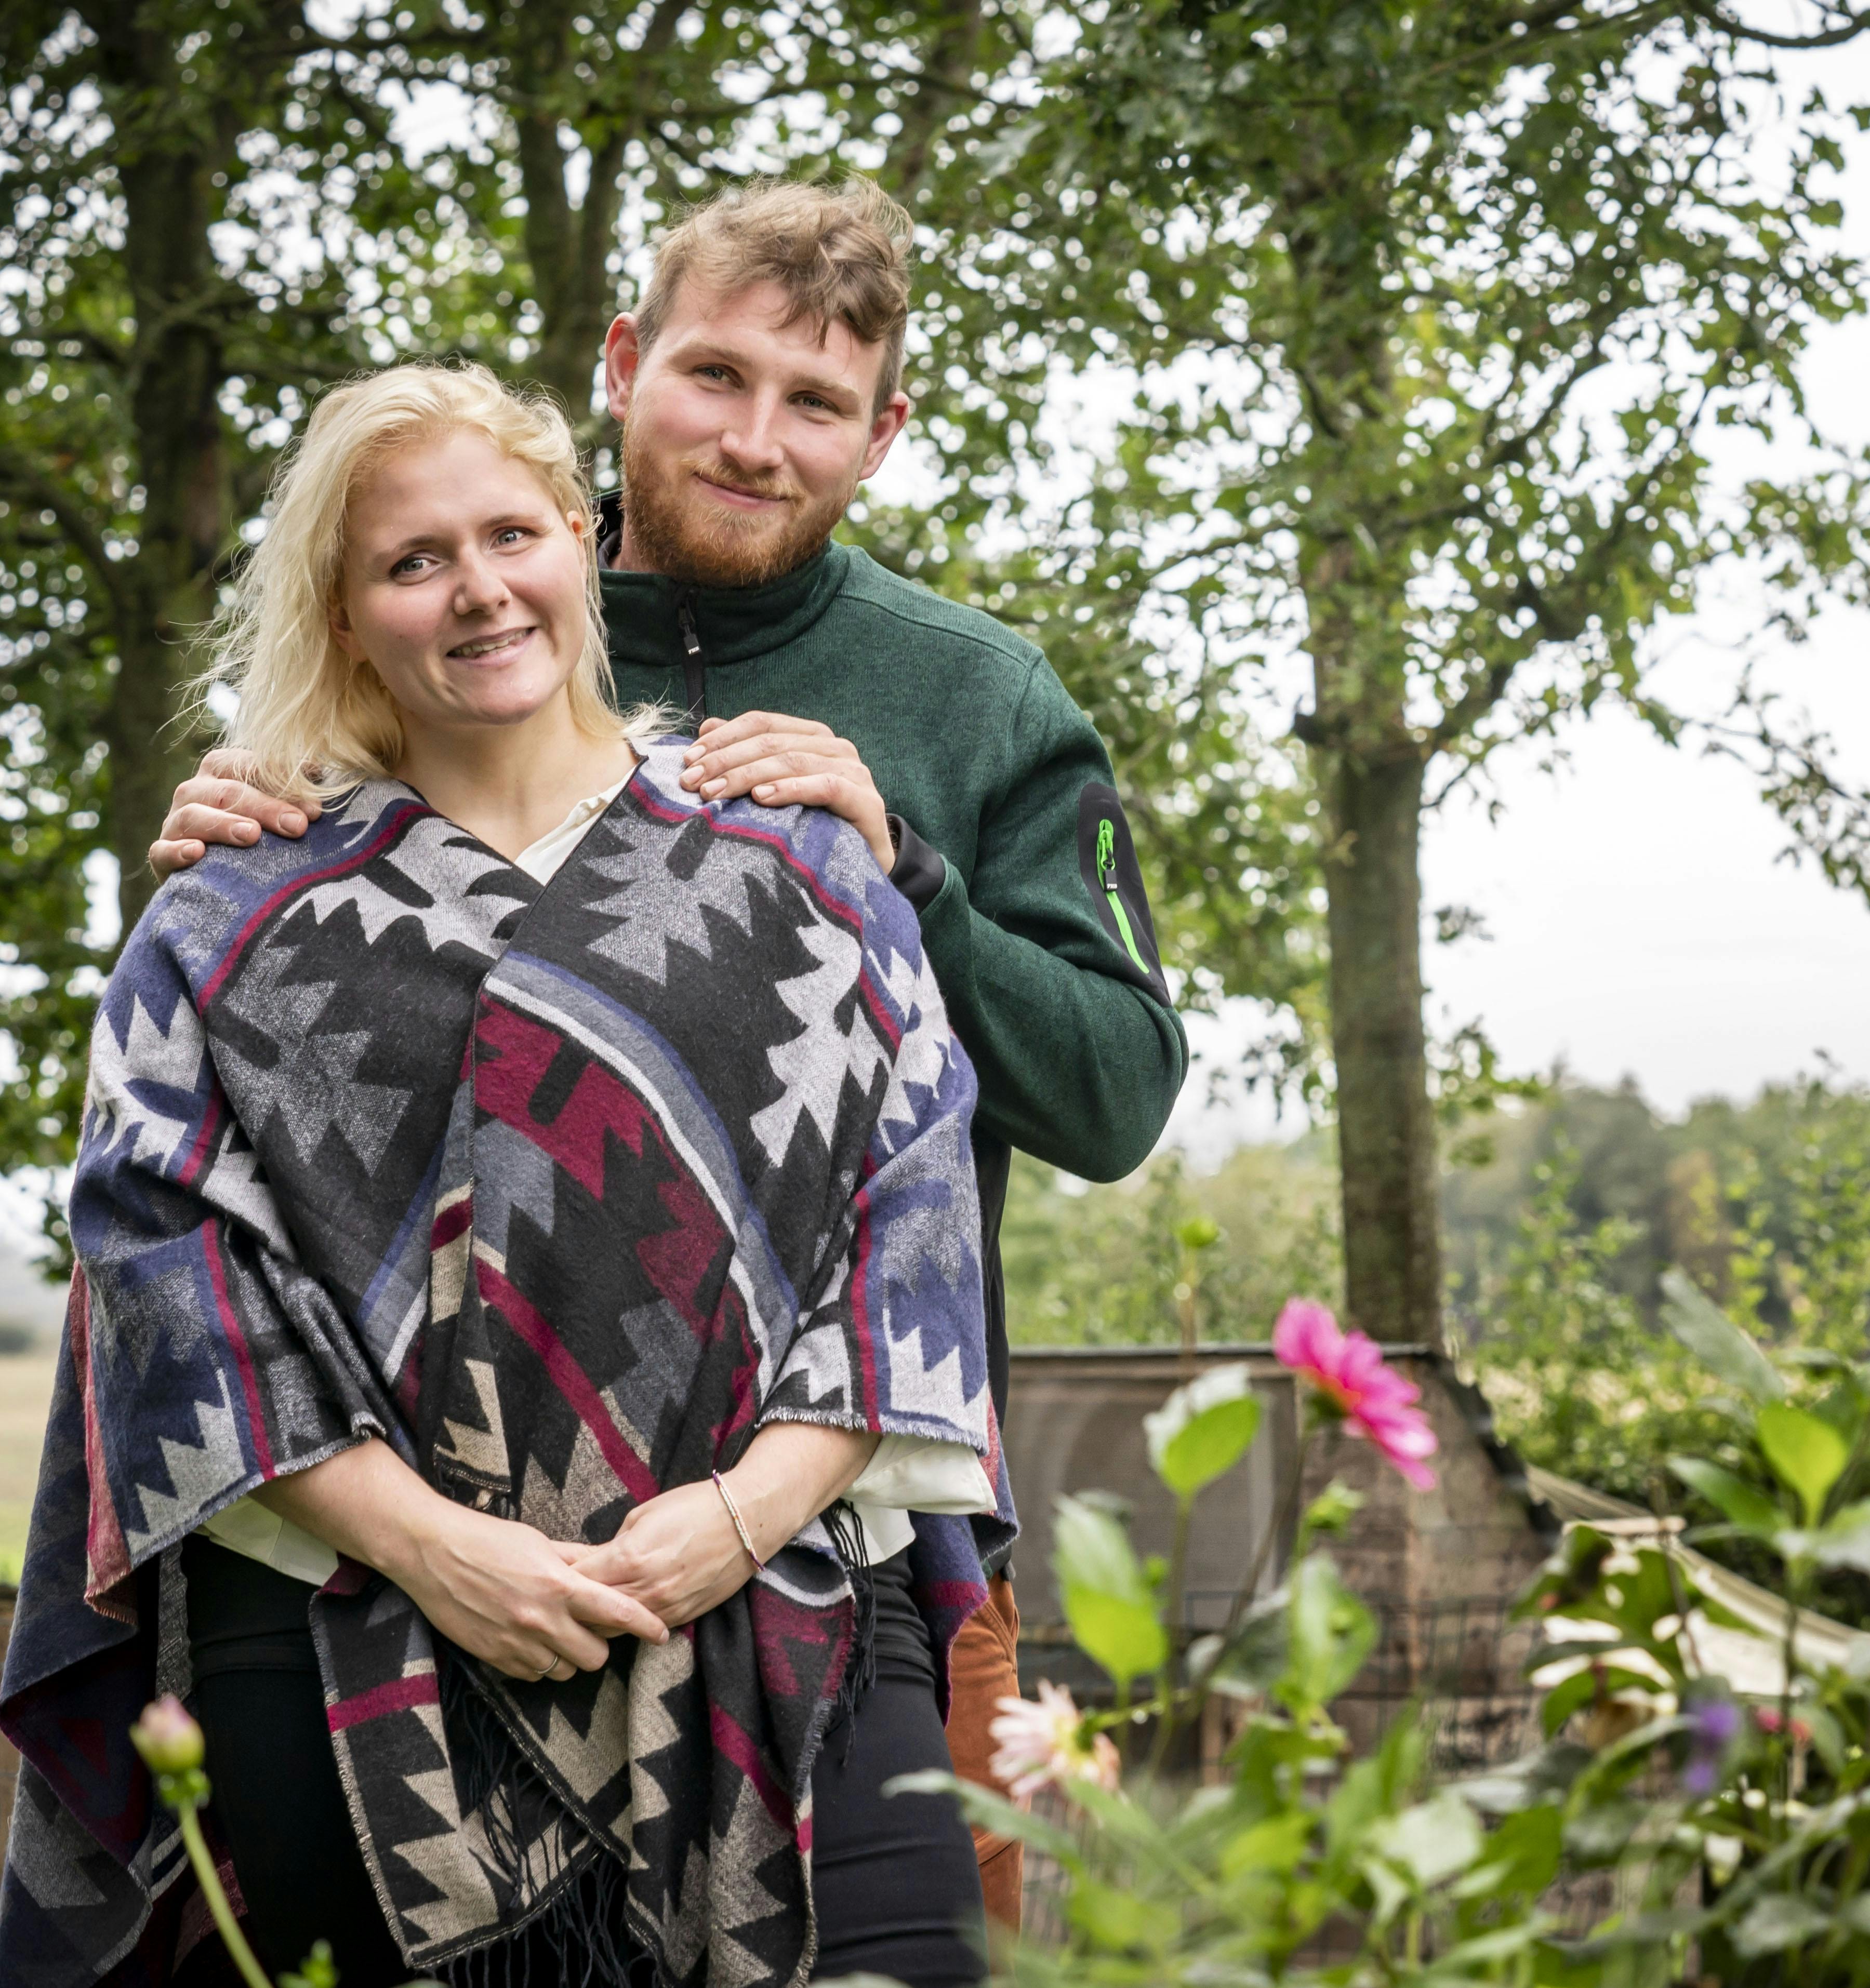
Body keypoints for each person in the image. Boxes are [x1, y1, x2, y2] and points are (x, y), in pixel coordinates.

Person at [149, 178, 1190, 1928]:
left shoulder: (978, 693)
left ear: (883, 434)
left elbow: (1116, 1092)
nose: (754, 440)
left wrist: (907, 872)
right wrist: (233, 821)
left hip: (852, 1514)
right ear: (622, 363)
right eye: (715, 375)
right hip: (413, 1552)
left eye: (817, 404)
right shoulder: (463, 618)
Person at [0, 363, 1010, 1988]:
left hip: (789, 1614)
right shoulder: (228, 918)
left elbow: (917, 1225)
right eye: (412, 561)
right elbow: (167, 1287)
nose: (478, 589)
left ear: (579, 547)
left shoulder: (799, 863)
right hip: (351, 1651)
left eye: (512, 533)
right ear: (343, 613)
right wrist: (434, 1545)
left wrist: (738, 1518)